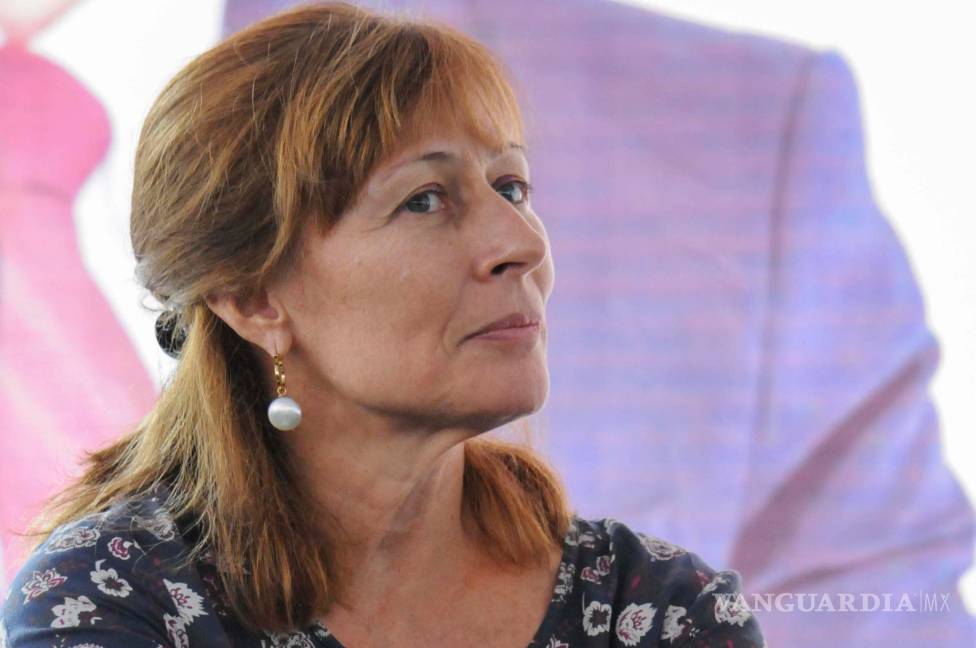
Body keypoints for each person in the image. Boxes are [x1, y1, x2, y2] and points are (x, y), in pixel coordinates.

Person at [0, 3, 765, 646]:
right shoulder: (113, 604)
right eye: (424, 200)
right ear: (255, 301)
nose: (523, 244)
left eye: (511, 186)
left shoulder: (662, 611)